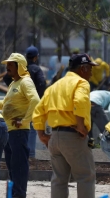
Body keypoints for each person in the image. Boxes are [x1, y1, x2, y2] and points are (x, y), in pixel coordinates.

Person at [32, 53, 97, 198]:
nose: (92, 73)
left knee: (59, 180)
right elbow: (79, 101)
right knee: (85, 176)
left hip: (55, 138)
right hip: (73, 136)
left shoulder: (54, 87)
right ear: (83, 69)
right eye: (90, 69)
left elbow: (38, 111)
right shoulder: (81, 83)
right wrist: (81, 125)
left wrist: (41, 134)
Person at [0, 53, 39, 198]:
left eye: (11, 64)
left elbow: (36, 100)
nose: (7, 67)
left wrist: (24, 121)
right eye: (7, 64)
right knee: (13, 167)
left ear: (20, 67)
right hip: (9, 132)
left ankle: (19, 195)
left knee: (19, 166)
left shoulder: (25, 82)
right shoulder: (13, 83)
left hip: (19, 131)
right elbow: (4, 105)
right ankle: (16, 194)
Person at [25, 45, 46, 159]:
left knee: (21, 127)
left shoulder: (21, 69)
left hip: (22, 102)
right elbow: (42, 83)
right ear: (36, 57)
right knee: (32, 128)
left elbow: (7, 78)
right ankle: (31, 154)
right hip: (33, 102)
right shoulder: (36, 69)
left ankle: (22, 154)